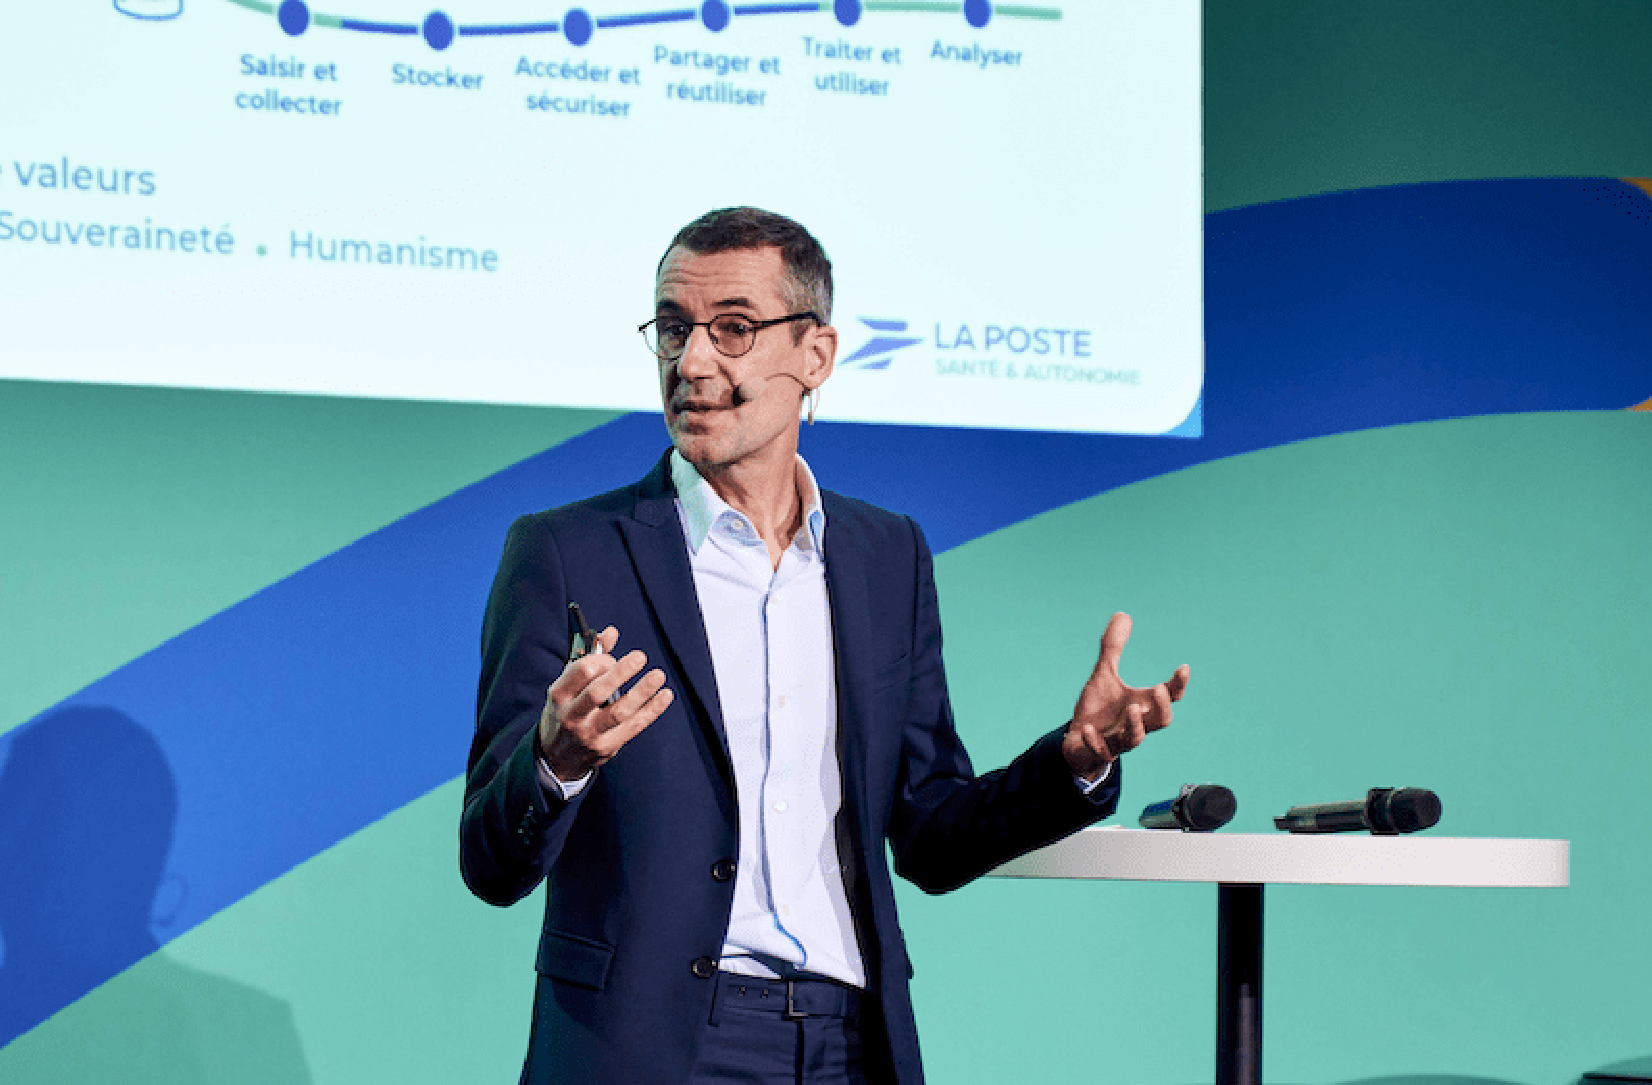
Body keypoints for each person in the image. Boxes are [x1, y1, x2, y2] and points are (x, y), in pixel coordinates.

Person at [460, 207, 1189, 1085]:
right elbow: (489, 861)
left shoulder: (887, 556)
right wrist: (556, 760)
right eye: (674, 328)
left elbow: (931, 832)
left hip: (849, 1043)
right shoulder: (568, 551)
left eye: (733, 328)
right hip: (650, 1049)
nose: (692, 361)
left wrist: (1075, 762)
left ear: (816, 355)